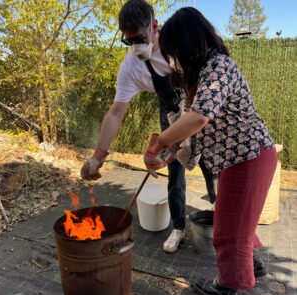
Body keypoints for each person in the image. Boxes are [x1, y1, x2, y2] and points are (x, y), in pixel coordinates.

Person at [144, 7, 277, 295]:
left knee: (228, 232)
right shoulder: (200, 78)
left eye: (172, 52)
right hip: (240, 161)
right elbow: (192, 134)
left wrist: (159, 142)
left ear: (186, 43)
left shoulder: (219, 67)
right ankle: (252, 264)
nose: (170, 61)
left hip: (249, 157)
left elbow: (199, 118)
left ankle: (229, 289)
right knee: (238, 220)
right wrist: (170, 154)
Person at [80, 0, 217, 253]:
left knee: (214, 169)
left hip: (202, 110)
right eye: (128, 41)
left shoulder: (179, 41)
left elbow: (210, 78)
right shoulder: (131, 67)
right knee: (175, 174)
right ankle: (178, 229)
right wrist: (98, 156)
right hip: (172, 116)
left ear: (154, 26)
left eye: (140, 38)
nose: (136, 46)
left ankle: (224, 227)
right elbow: (116, 112)